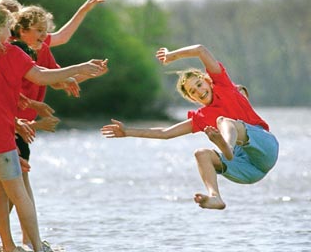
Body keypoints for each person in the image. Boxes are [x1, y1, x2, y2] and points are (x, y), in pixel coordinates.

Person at [0, 2, 107, 252]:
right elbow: (41, 76)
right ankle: (36, 248)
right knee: (16, 192)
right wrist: (78, 68)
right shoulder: (10, 52)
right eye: (8, 28)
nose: (11, 33)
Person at [101, 44, 279, 210]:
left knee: (224, 122)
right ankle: (215, 196)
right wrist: (127, 132)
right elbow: (165, 133)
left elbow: (200, 50)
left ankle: (227, 147)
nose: (199, 91)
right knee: (201, 154)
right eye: (193, 92)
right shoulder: (201, 118)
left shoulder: (223, 85)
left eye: (199, 85)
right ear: (192, 99)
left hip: (265, 148)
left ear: (207, 81)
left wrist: (172, 56)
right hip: (248, 170)